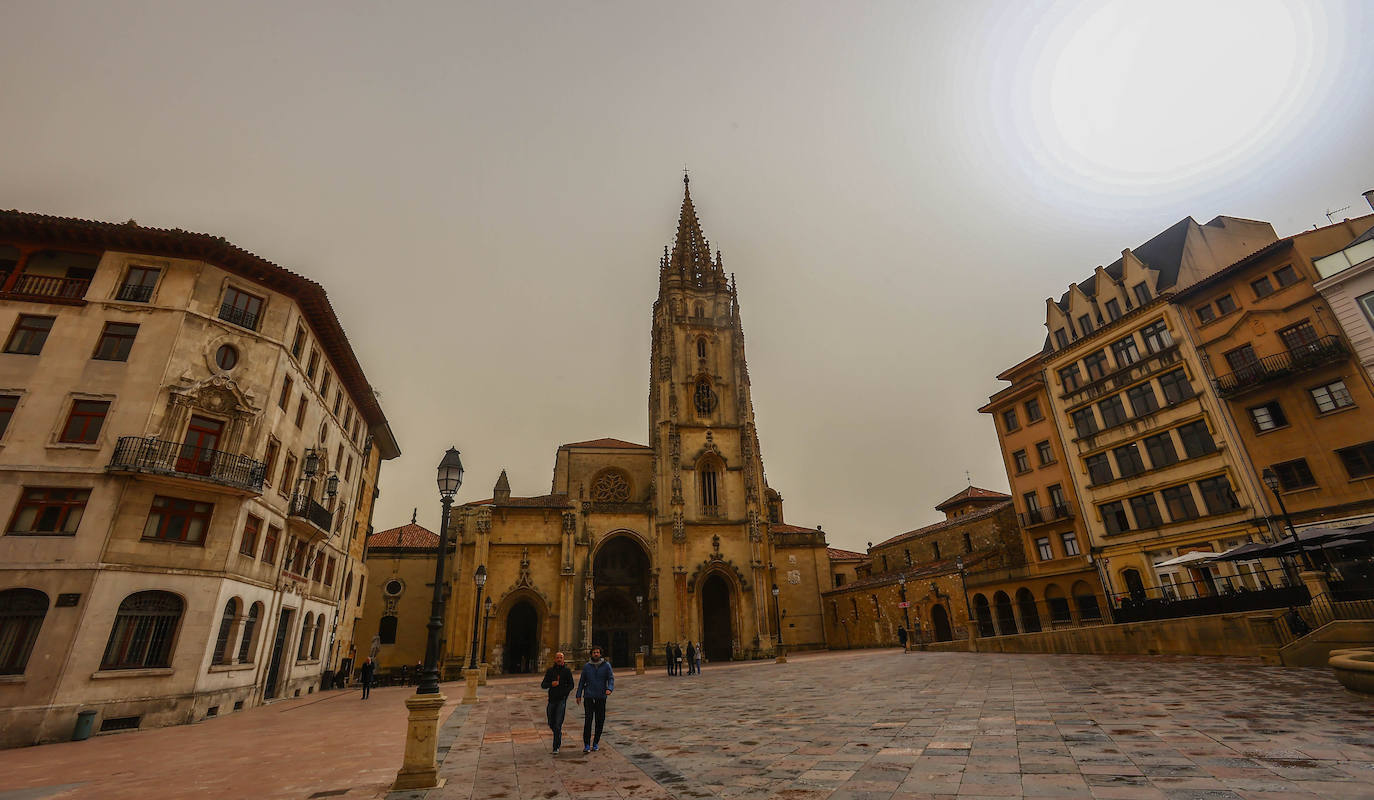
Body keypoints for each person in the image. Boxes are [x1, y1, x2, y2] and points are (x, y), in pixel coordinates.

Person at [575, 646, 614, 753]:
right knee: (588, 721)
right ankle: (587, 744)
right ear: (591, 654)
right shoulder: (587, 666)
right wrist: (578, 695)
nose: (596, 654)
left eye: (597, 652)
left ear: (600, 654)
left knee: (599, 721)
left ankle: (596, 742)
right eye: (594, 652)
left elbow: (611, 678)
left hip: (601, 696)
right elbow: (582, 681)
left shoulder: (606, 666)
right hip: (589, 696)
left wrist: (609, 689)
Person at [540, 651, 575, 754]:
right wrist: (551, 684)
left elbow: (571, 685)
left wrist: (565, 693)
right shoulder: (550, 671)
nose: (559, 659)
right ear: (555, 659)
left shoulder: (567, 671)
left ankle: (556, 746)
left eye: (561, 658)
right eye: (557, 658)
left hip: (561, 700)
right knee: (551, 722)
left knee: (558, 723)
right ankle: (558, 734)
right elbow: (543, 685)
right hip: (551, 700)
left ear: (563, 660)